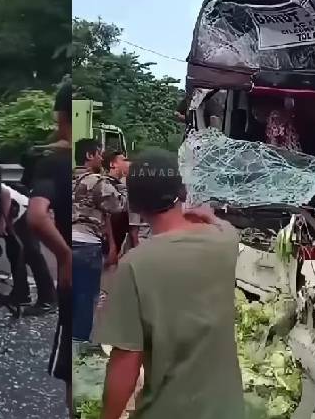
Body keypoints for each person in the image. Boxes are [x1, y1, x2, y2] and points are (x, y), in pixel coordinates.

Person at [92, 148, 244, 419]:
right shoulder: (226, 243)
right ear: (182, 193)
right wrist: (209, 217)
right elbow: (227, 229)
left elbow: (126, 364)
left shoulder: (135, 265)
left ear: (135, 205)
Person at [26, 81, 73, 416]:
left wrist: (64, 255)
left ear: (60, 116)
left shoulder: (52, 162)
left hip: (73, 272)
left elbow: (37, 216)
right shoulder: (89, 163)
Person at [0, 167, 56, 311]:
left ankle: (48, 299)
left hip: (24, 213)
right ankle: (21, 294)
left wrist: (2, 222)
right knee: (15, 255)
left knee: (32, 254)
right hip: (13, 217)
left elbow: (5, 194)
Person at [72, 138, 125, 343]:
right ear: (89, 155)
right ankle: (80, 343)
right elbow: (118, 206)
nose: (101, 158)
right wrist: (120, 182)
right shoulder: (96, 181)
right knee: (86, 298)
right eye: (99, 154)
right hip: (87, 244)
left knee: (71, 294)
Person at [102, 150, 136, 262]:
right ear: (112, 164)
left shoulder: (118, 185)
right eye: (123, 160)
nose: (127, 163)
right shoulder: (105, 185)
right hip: (106, 246)